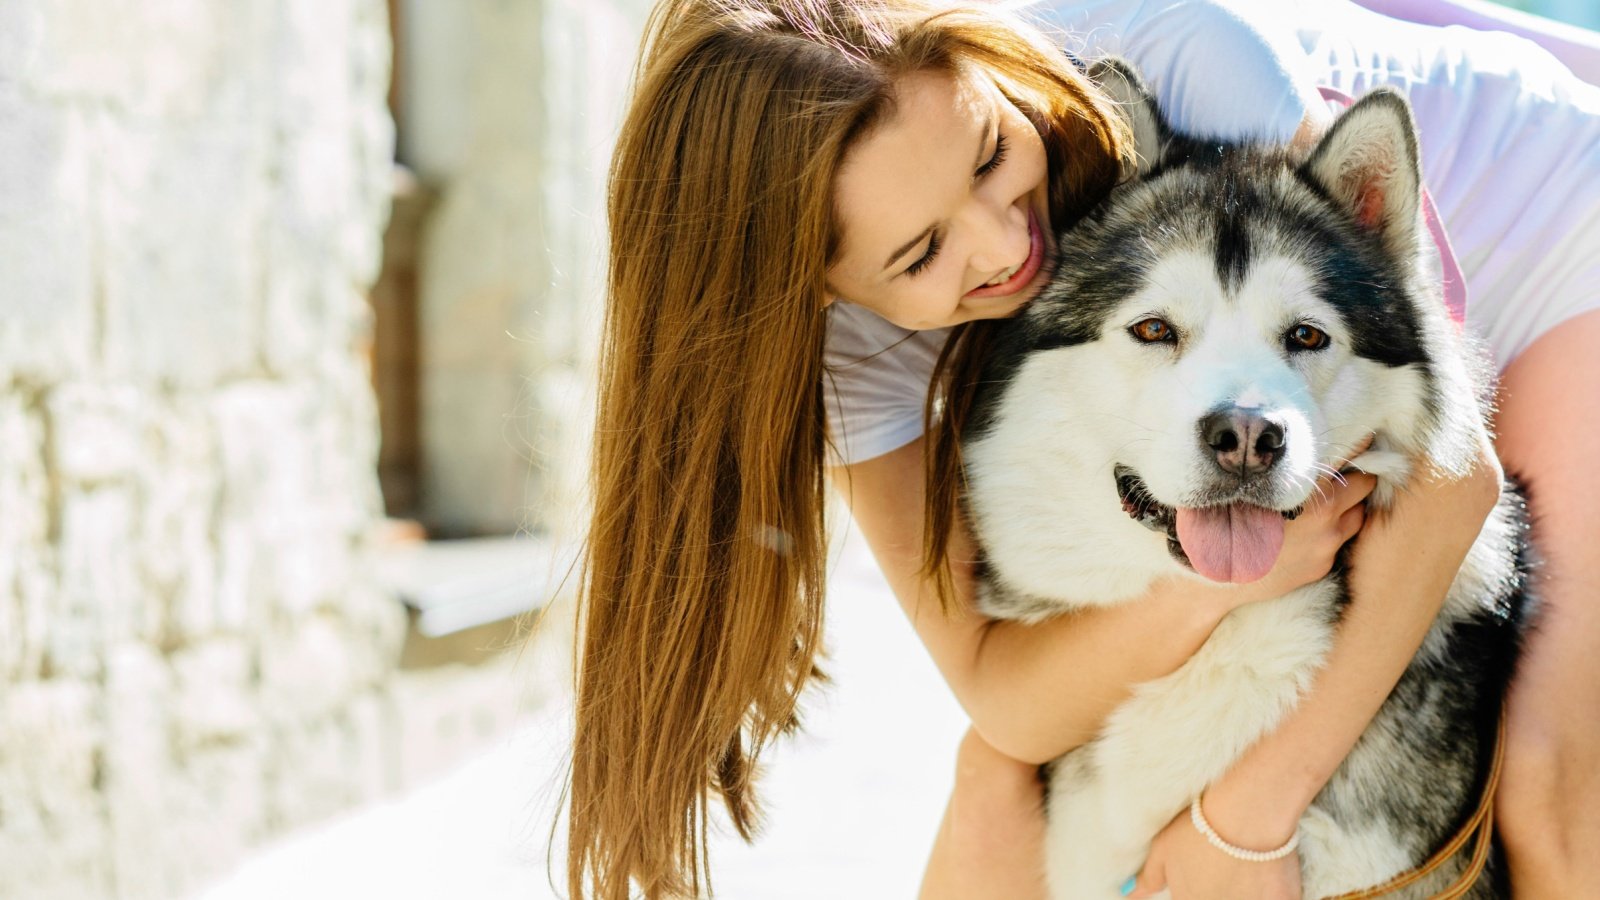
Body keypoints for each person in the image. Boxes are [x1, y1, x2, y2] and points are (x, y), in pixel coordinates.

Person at [564, 1, 1600, 897]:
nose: (1005, 243)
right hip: (1291, 368)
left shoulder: (1174, 47)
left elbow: (1450, 477)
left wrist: (1244, 819)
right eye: (924, 253)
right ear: (825, 291)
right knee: (993, 783)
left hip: (1545, 242)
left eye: (989, 159)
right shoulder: (843, 349)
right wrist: (1211, 584)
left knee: (1554, 787)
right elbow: (1003, 696)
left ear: (975, 58)